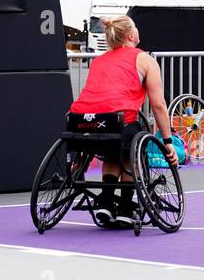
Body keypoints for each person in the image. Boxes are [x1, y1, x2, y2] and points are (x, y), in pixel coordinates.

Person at [68, 15, 176, 227]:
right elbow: (159, 105)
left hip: (81, 123)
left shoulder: (99, 61)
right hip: (116, 122)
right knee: (129, 143)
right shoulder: (144, 59)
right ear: (130, 35)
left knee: (112, 149)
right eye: (135, 27)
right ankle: (126, 207)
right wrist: (168, 140)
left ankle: (106, 203)